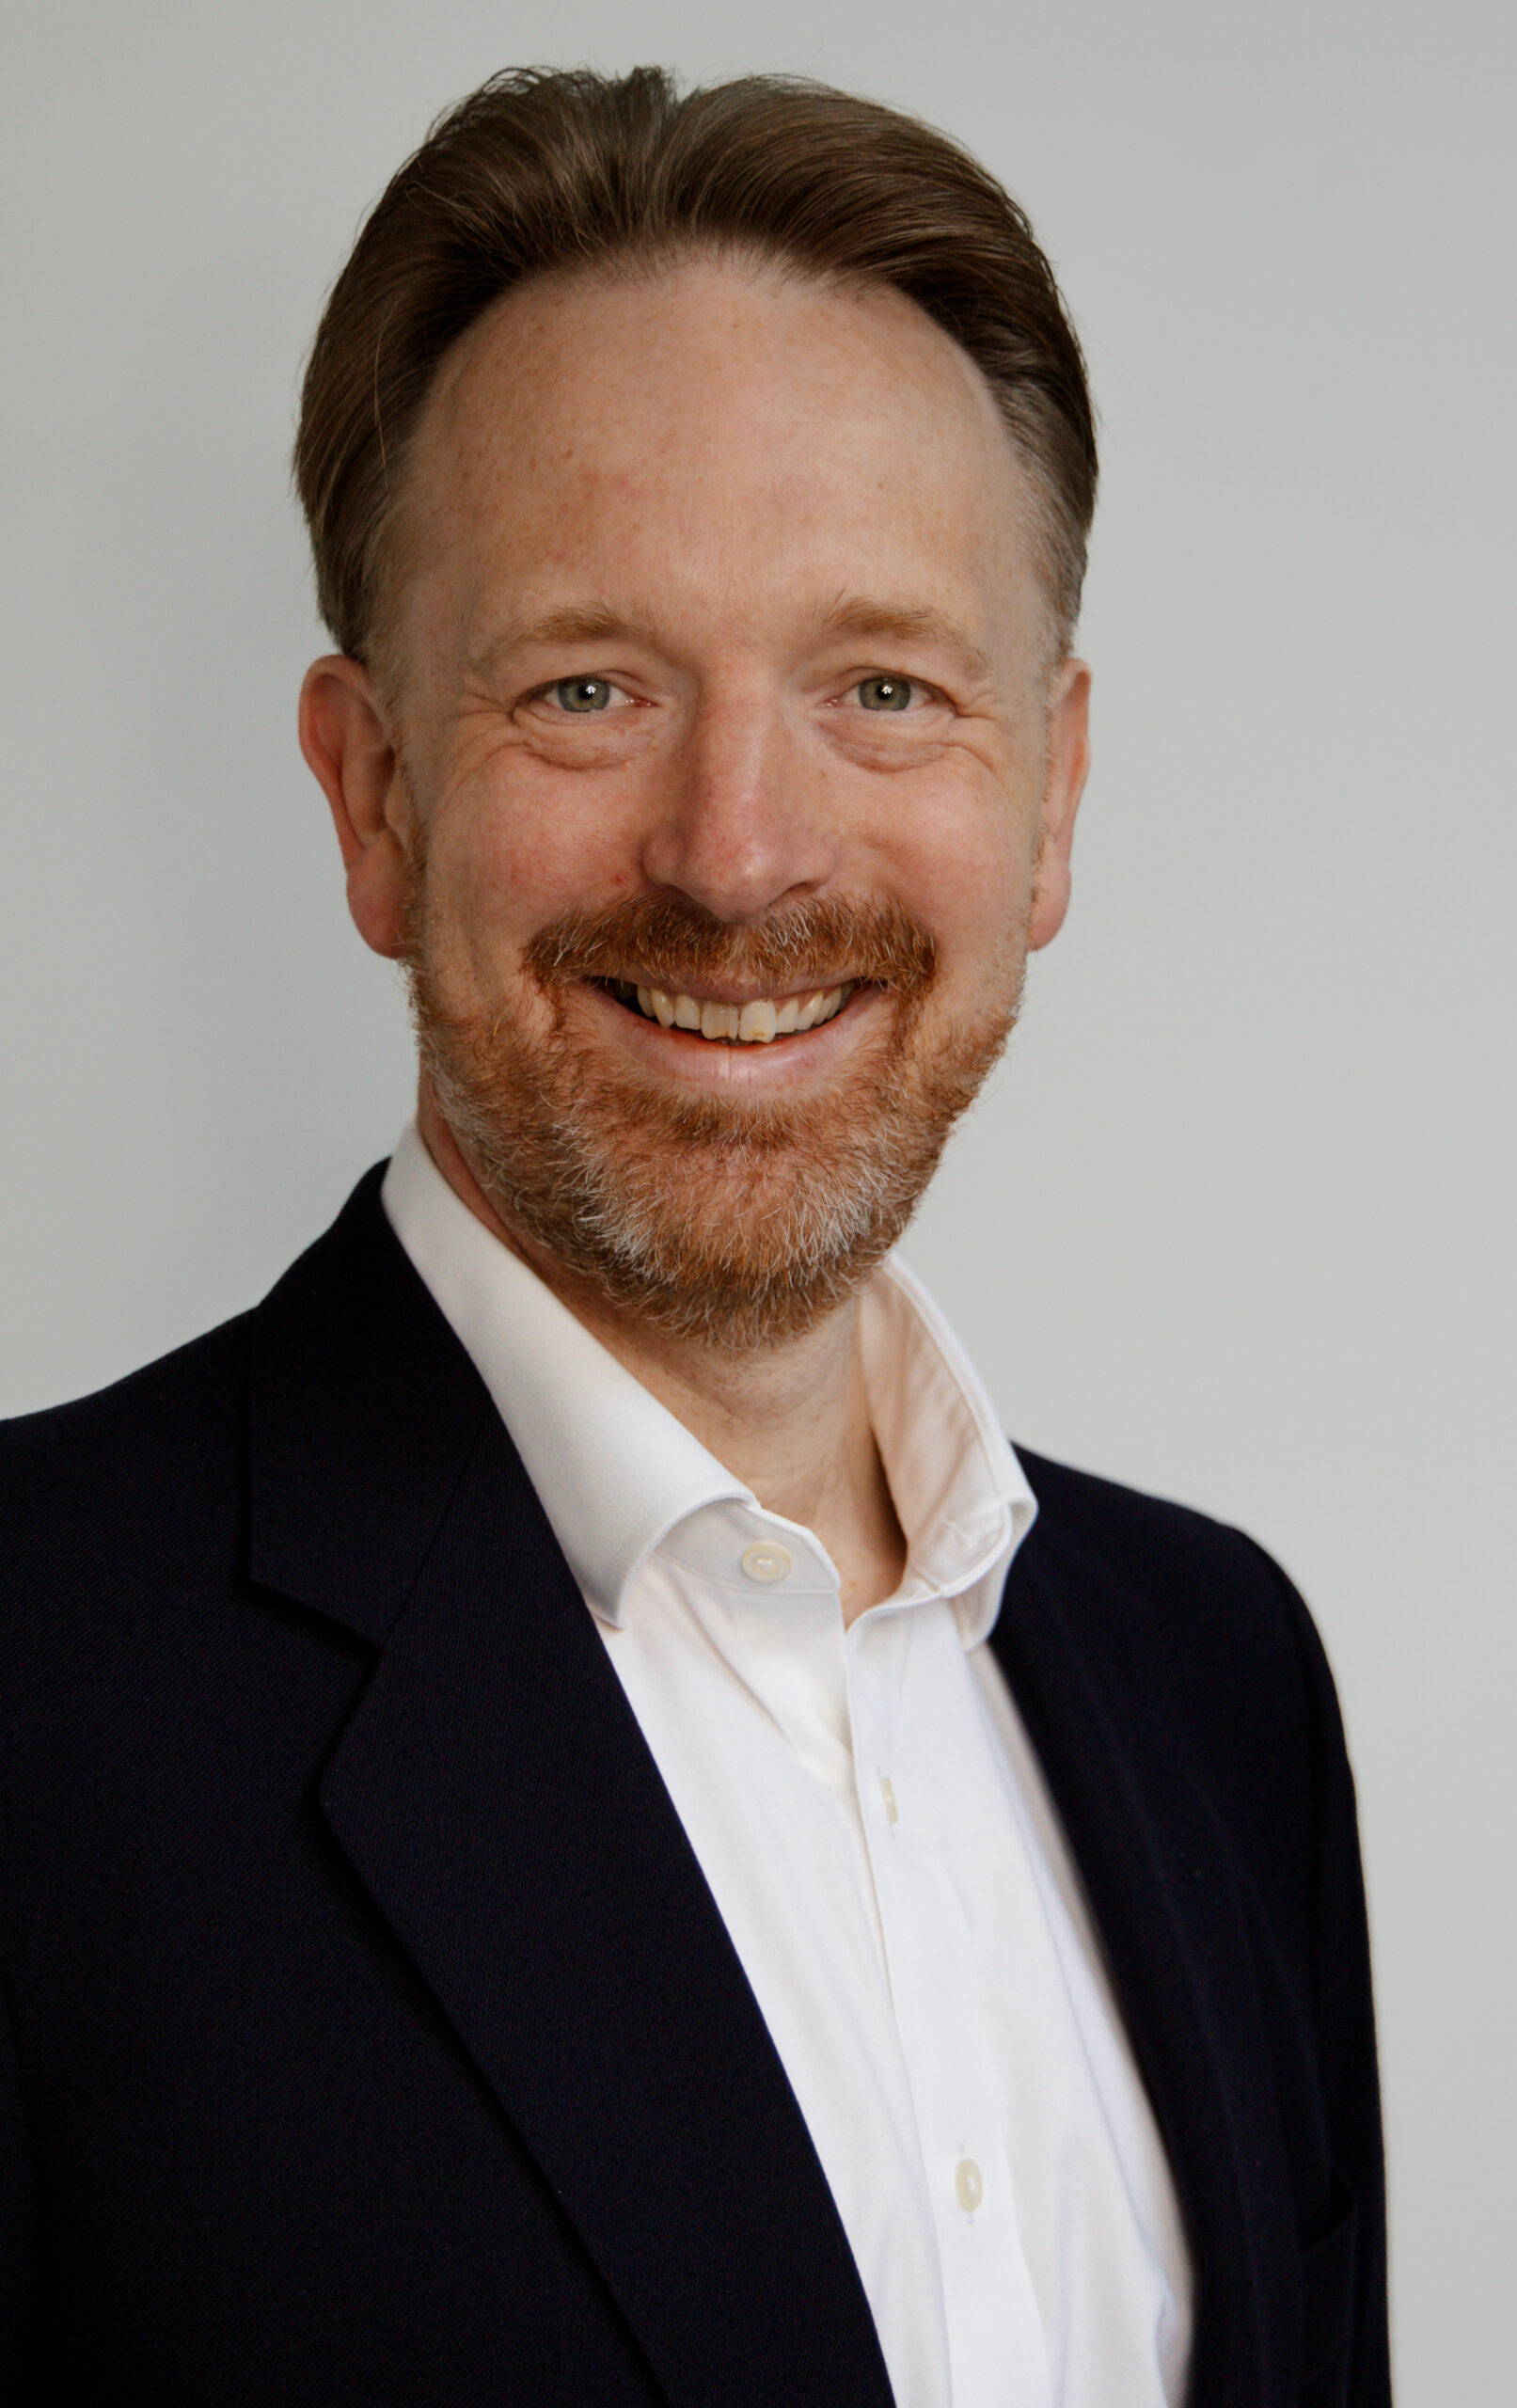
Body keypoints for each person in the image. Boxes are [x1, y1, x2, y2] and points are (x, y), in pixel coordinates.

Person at [0, 65, 1387, 2408]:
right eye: (585, 687)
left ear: (1045, 800)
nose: (740, 854)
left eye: (881, 687)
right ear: (371, 797)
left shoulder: (1219, 1678)